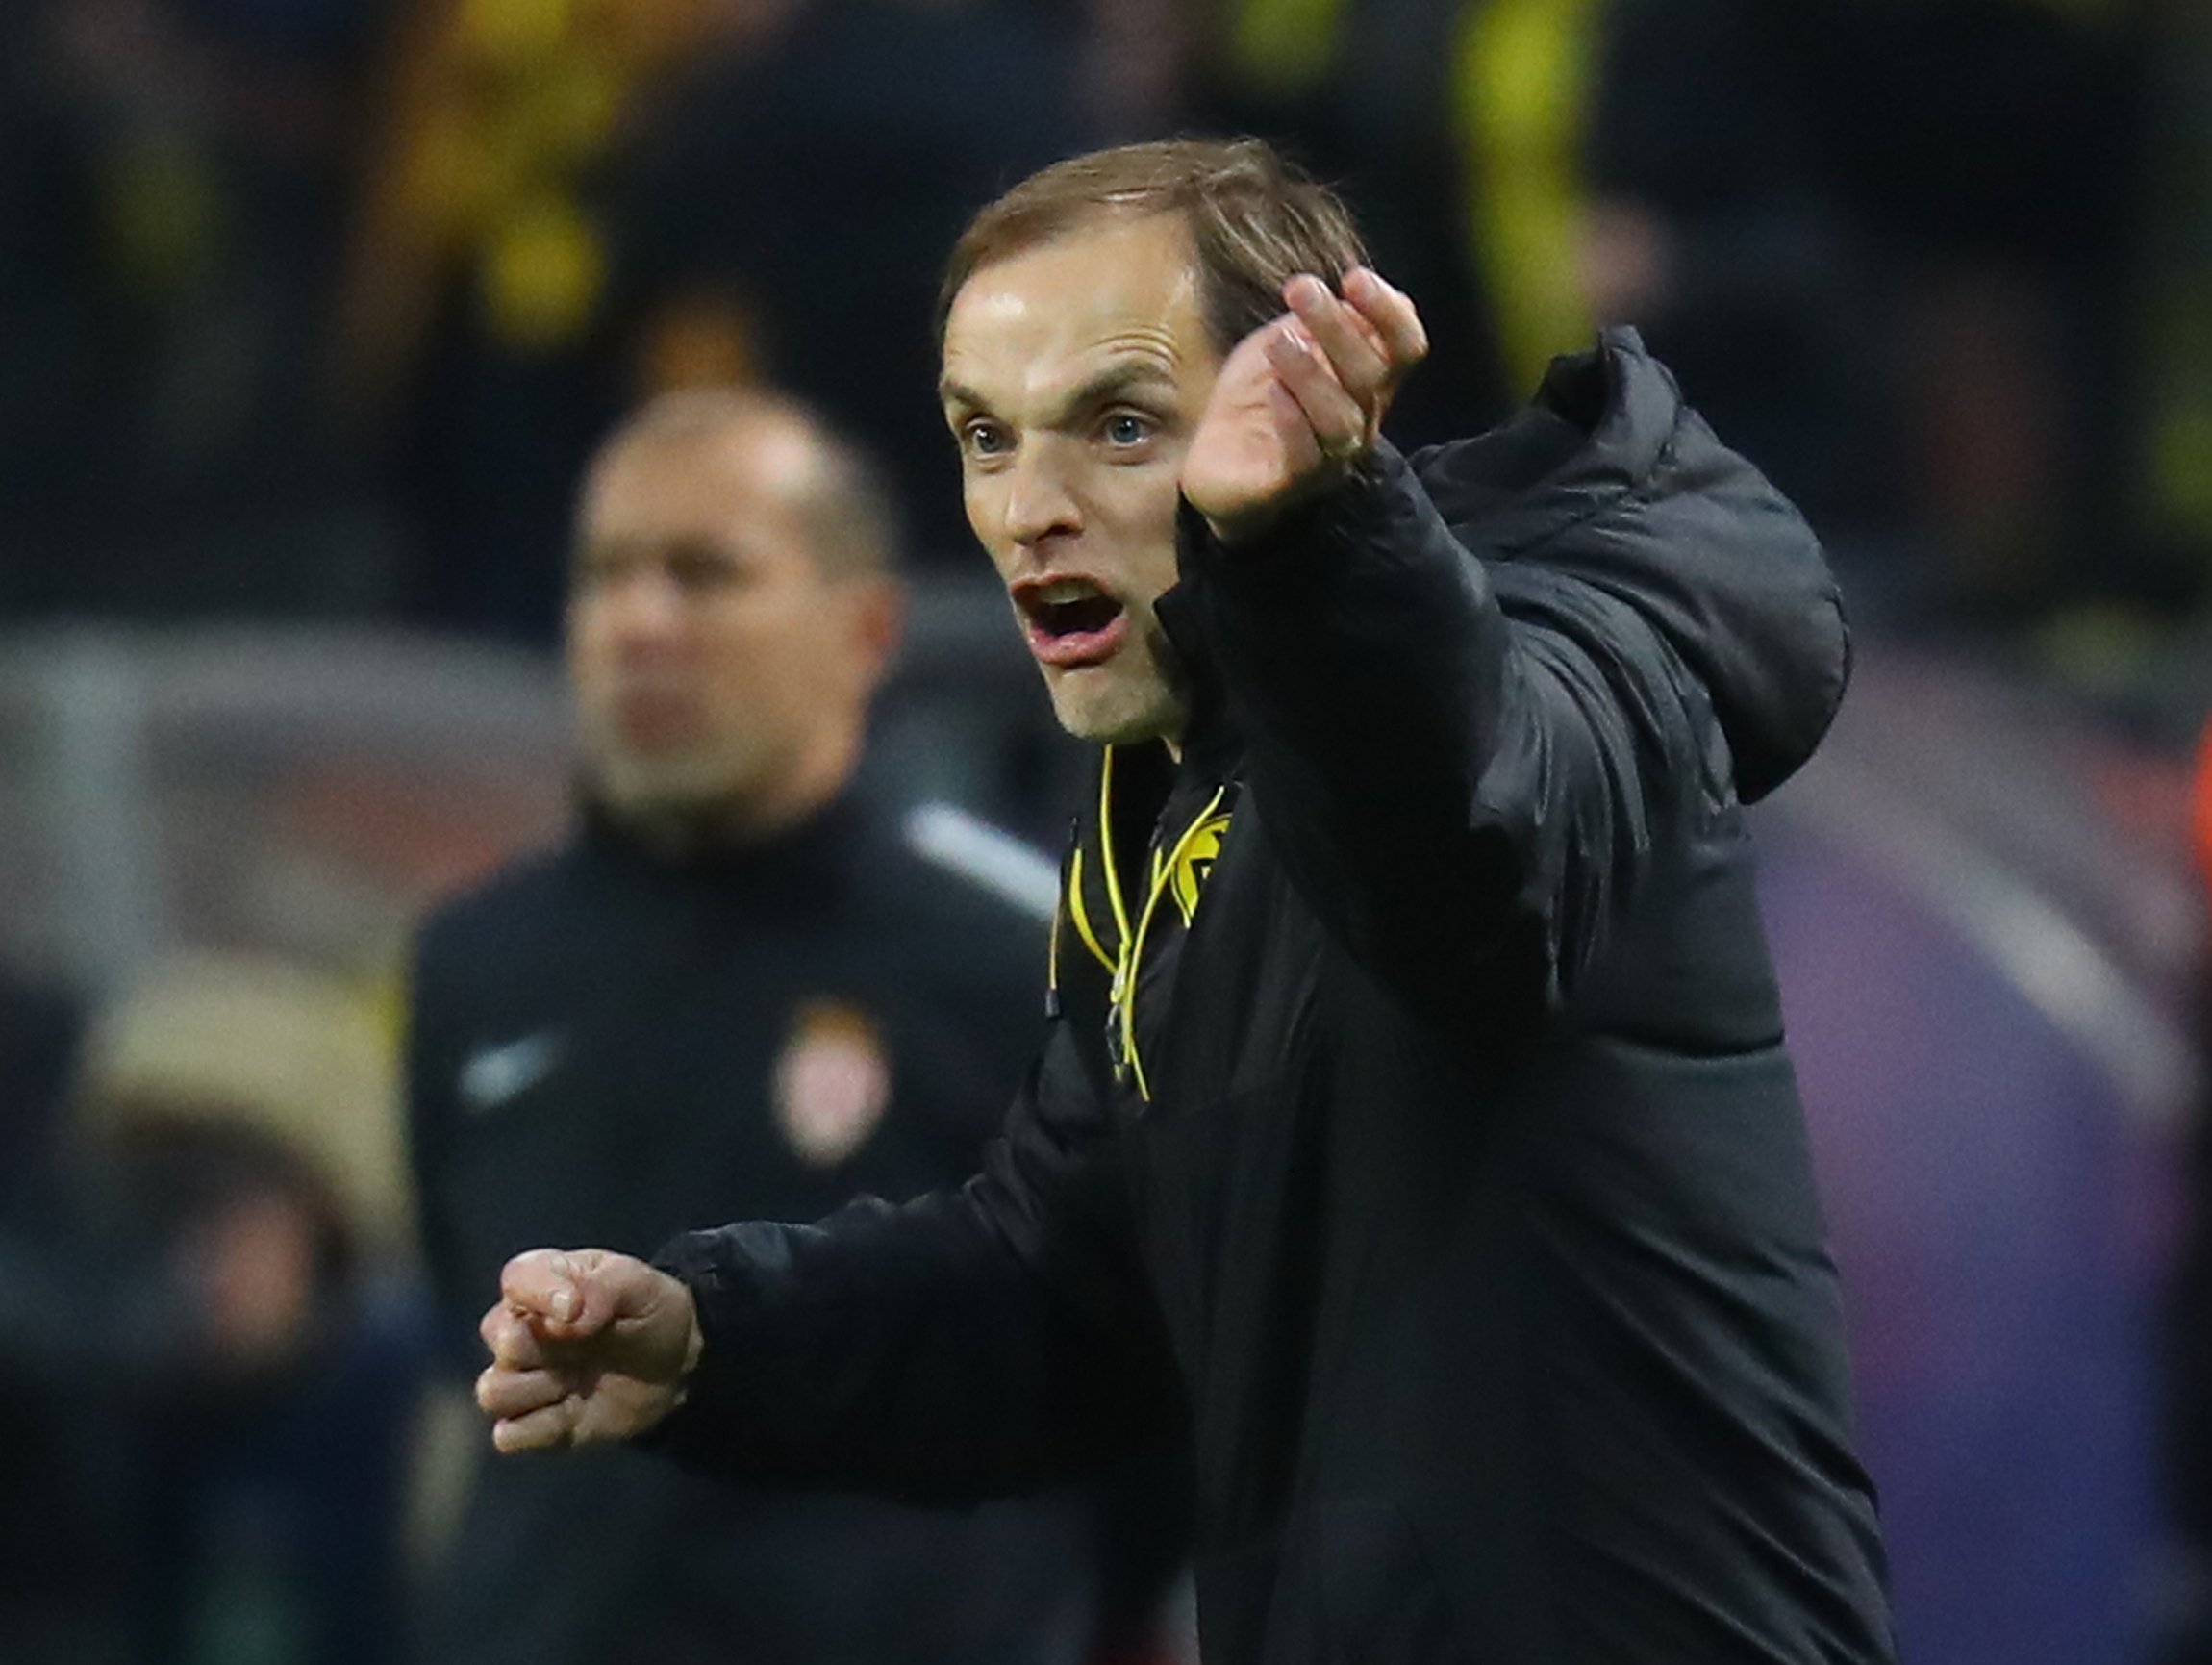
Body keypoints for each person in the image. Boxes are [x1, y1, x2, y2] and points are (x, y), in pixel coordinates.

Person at [473, 139, 1898, 1664]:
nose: (1031, 508)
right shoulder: (1167, 806)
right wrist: (715, 1338)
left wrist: (1312, 536)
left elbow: (1474, 860)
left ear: (1309, 397)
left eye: (1122, 424)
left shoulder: (1571, 641)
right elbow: (1066, 1288)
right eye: (986, 437)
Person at [407, 388, 1173, 1665]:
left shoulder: (1026, 954)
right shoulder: (478, 962)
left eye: (705, 574)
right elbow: (459, 1362)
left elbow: (1143, 1383)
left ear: (861, 628)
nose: (640, 621)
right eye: (605, 575)